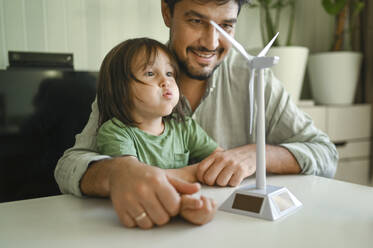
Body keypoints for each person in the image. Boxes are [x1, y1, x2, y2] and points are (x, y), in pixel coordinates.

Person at [55, 0, 338, 229]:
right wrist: (117, 172)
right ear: (167, 12)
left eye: (226, 25)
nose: (211, 42)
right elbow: (69, 165)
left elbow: (325, 153)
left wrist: (257, 154)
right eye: (196, 21)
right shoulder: (130, 77)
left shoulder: (255, 78)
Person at [96, 37, 219, 225]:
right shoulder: (115, 132)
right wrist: (194, 172)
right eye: (150, 73)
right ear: (120, 88)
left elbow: (219, 161)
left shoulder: (185, 127)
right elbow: (133, 179)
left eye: (169, 73)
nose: (165, 81)